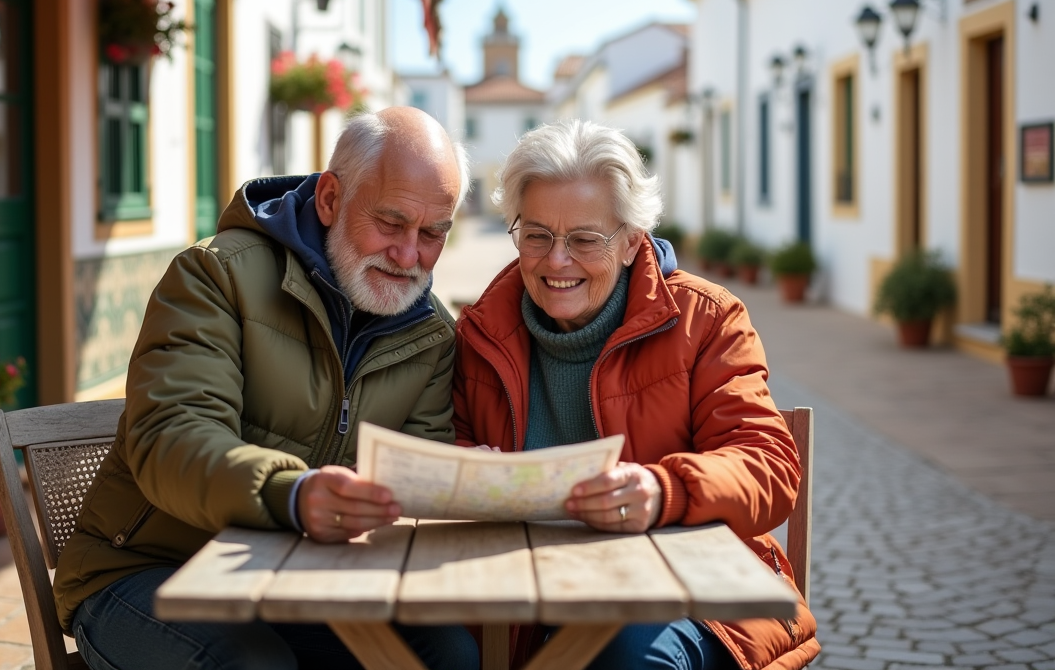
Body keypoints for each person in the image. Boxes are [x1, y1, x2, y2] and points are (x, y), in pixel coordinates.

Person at [54, 107, 480, 670]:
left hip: (297, 583)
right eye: (390, 222)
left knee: (447, 653)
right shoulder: (215, 275)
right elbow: (173, 441)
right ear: (330, 199)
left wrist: (462, 481)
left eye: (432, 234)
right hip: (146, 569)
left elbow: (414, 480)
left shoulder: (430, 336)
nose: (409, 256)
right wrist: (294, 494)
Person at [453, 120, 819, 670]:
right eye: (536, 235)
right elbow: (444, 450)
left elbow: (768, 465)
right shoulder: (480, 334)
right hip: (522, 599)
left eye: (583, 239)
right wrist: (462, 474)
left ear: (630, 242)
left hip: (687, 591)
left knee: (627, 657)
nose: (557, 261)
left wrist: (663, 489)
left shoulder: (708, 319)